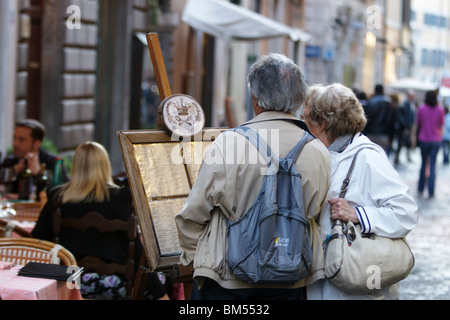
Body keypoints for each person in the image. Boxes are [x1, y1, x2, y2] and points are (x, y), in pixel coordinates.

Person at [175, 53, 331, 300]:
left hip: (227, 281)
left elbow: (193, 214)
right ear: (299, 99)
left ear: (255, 98)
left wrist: (200, 258)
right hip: (291, 281)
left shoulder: (229, 143)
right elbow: (316, 215)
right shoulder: (318, 151)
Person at [302, 83, 418, 300]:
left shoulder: (367, 157)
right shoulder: (324, 154)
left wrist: (357, 214)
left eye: (306, 117)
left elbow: (406, 213)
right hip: (325, 282)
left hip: (353, 286)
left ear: (322, 123)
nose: (303, 123)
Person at [32, 141, 168, 300]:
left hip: (69, 283)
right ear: (105, 165)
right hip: (115, 284)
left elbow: (38, 242)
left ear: (76, 166)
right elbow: (137, 252)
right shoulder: (122, 198)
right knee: (161, 275)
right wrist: (161, 295)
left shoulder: (57, 197)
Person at [1, 119, 69, 193]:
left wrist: (39, 173)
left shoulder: (53, 162)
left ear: (37, 143)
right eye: (15, 138)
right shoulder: (10, 161)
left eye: (21, 139)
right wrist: (15, 170)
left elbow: (64, 189)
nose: (15, 144)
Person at [416, 91, 446, 197]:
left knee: (424, 163)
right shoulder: (440, 110)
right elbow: (441, 124)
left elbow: (417, 124)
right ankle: (431, 190)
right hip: (435, 140)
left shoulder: (421, 108)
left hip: (423, 139)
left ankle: (420, 188)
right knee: (433, 165)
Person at [362, 84, 394, 152]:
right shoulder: (388, 103)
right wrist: (391, 138)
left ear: (375, 91)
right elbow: (391, 121)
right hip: (384, 135)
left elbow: (366, 118)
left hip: (371, 134)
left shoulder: (370, 102)